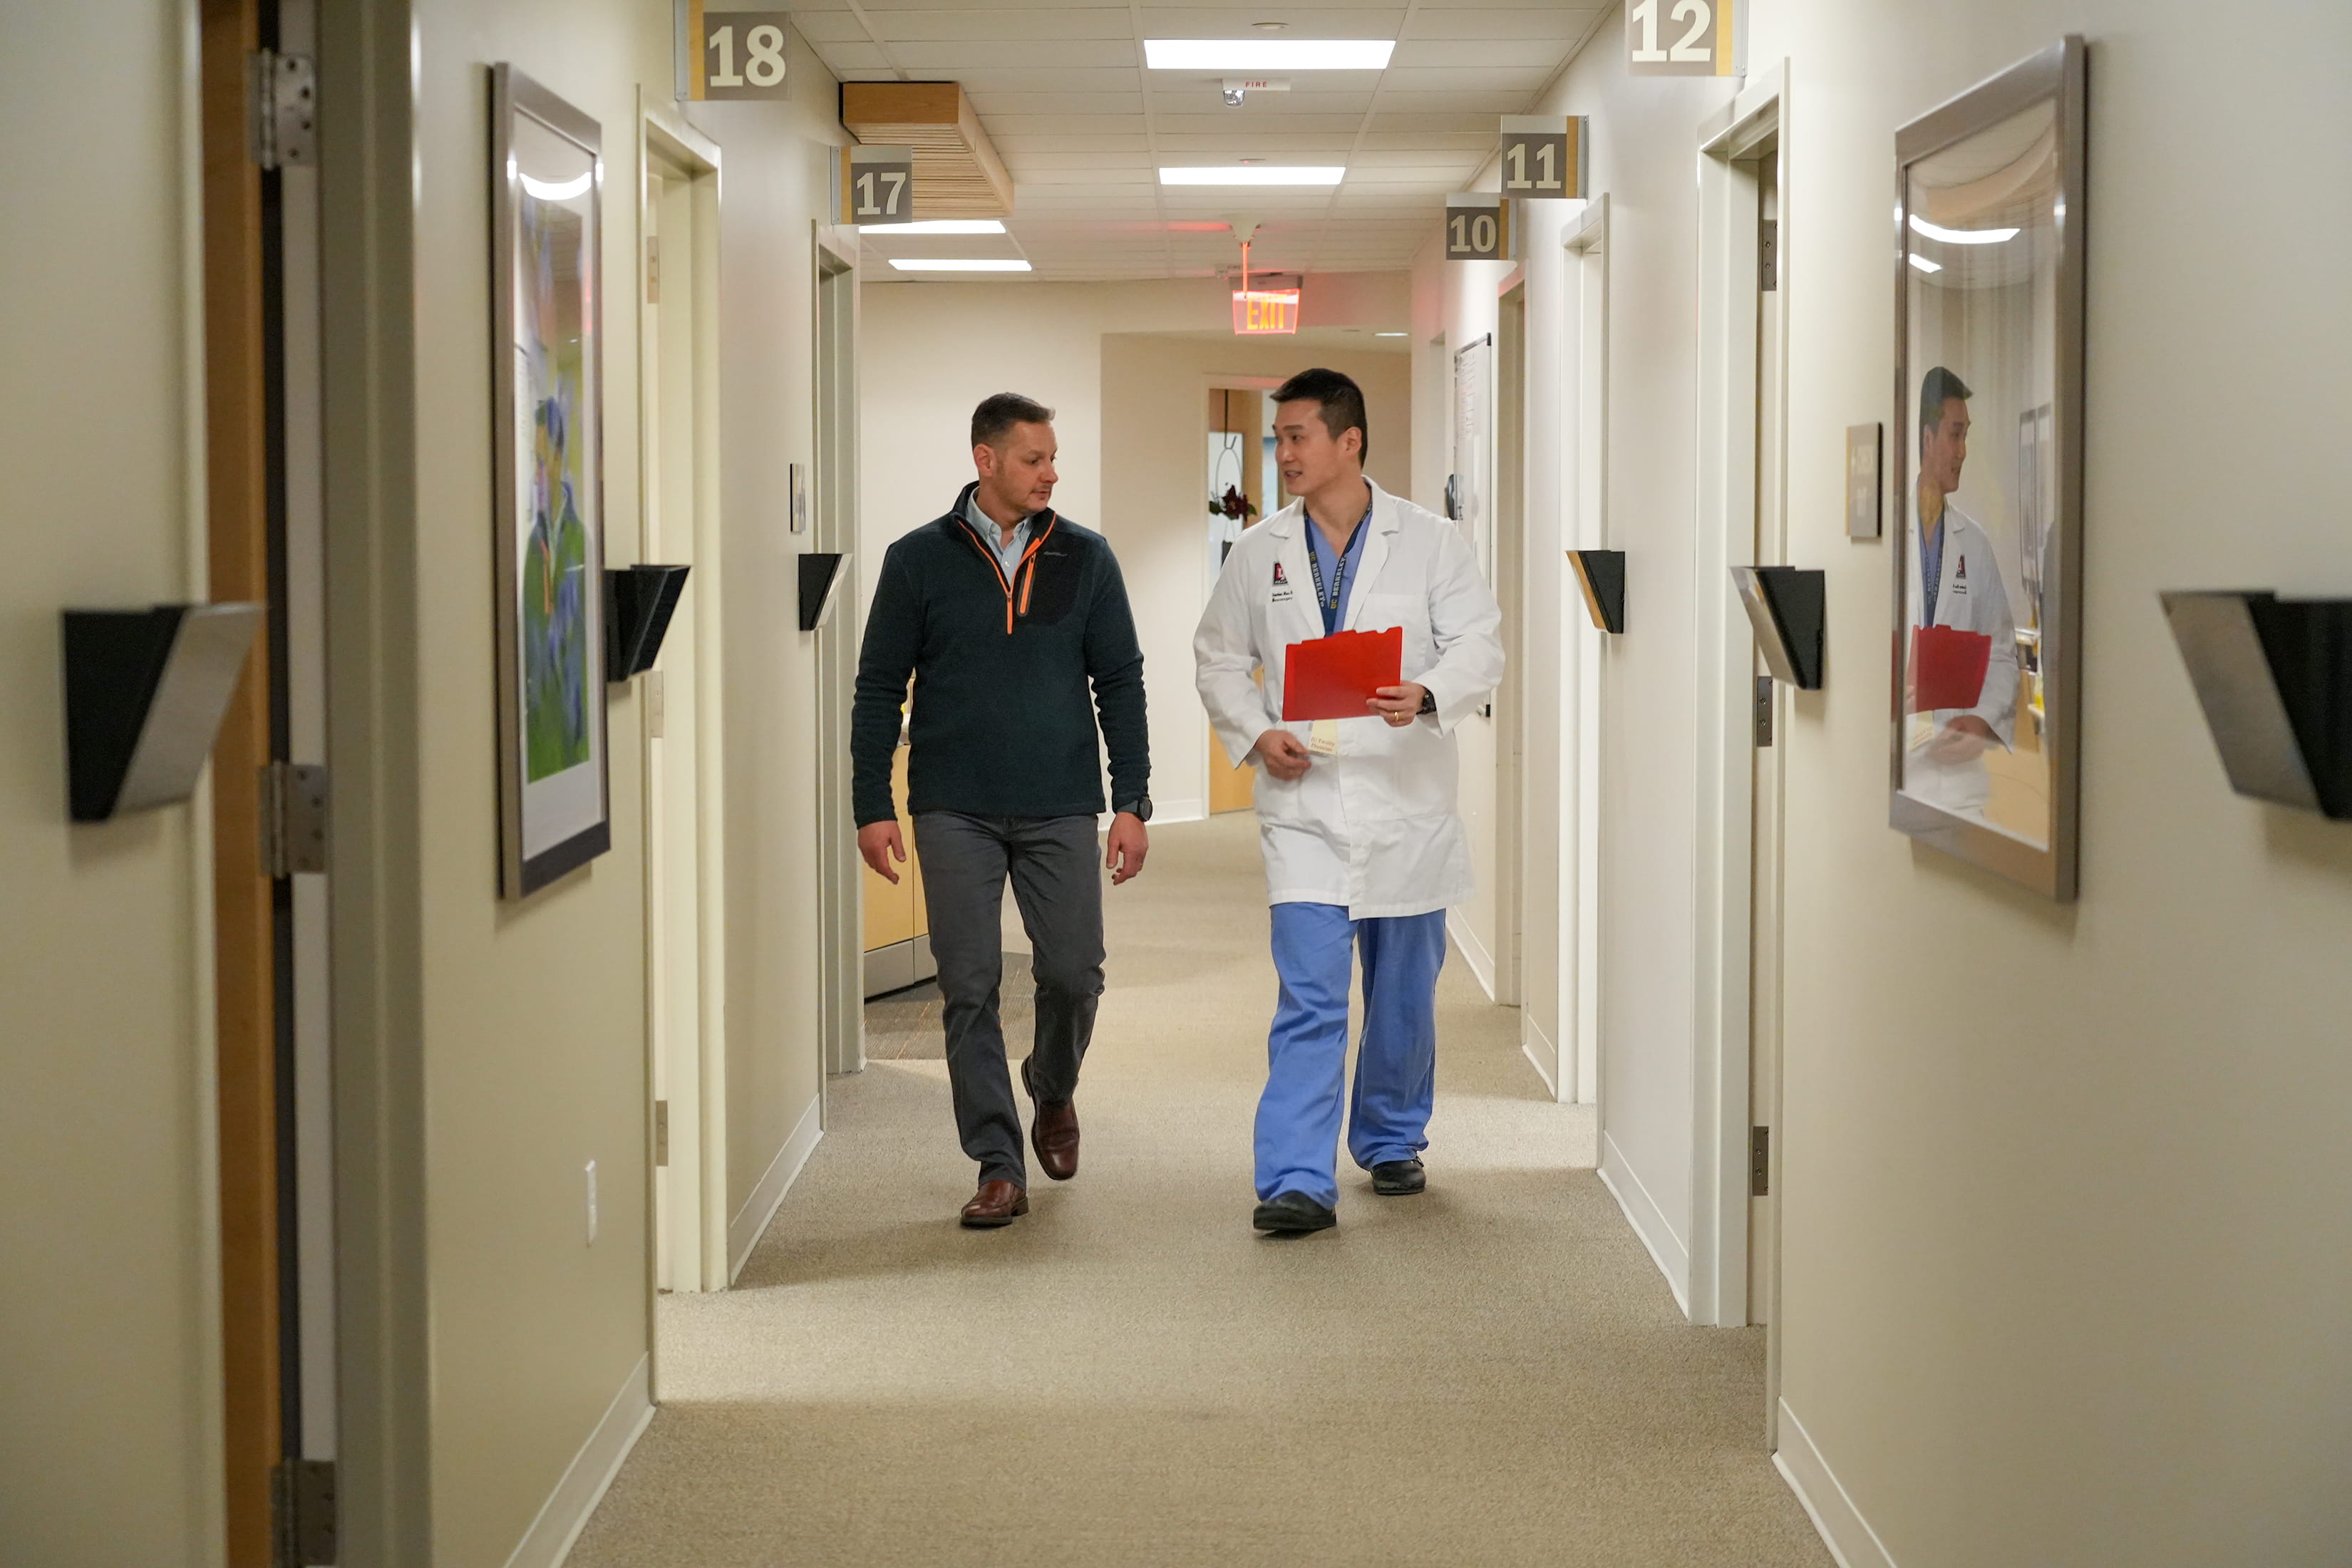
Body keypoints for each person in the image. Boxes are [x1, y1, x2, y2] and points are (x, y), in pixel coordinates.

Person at [1192, 368, 1503, 1234]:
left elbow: (1482, 644)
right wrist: (1257, 733)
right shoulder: (1259, 551)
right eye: (1280, 436)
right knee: (1312, 997)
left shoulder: (1433, 541)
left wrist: (1431, 692)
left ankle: (1393, 1137)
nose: (1284, 452)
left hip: (1405, 800)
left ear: (1349, 441)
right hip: (1306, 805)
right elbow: (1218, 657)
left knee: (1404, 992)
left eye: (1298, 436)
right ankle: (1296, 1176)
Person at [852, 393, 1153, 1228]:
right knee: (970, 983)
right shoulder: (916, 560)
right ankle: (997, 1161)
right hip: (953, 805)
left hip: (1060, 799)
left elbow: (1120, 682)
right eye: (1034, 459)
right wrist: (870, 801)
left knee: (1071, 970)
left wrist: (1132, 800)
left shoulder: (1086, 558)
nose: (1051, 473)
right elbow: (878, 688)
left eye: (1054, 459)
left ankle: (1052, 1089)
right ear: (986, 460)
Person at [1903, 366, 2018, 822]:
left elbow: (2004, 653)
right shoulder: (1885, 540)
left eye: (1965, 436)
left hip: (1961, 785)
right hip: (1896, 769)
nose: (1962, 451)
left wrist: (1983, 722)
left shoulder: (1975, 543)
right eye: (1954, 435)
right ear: (1927, 439)